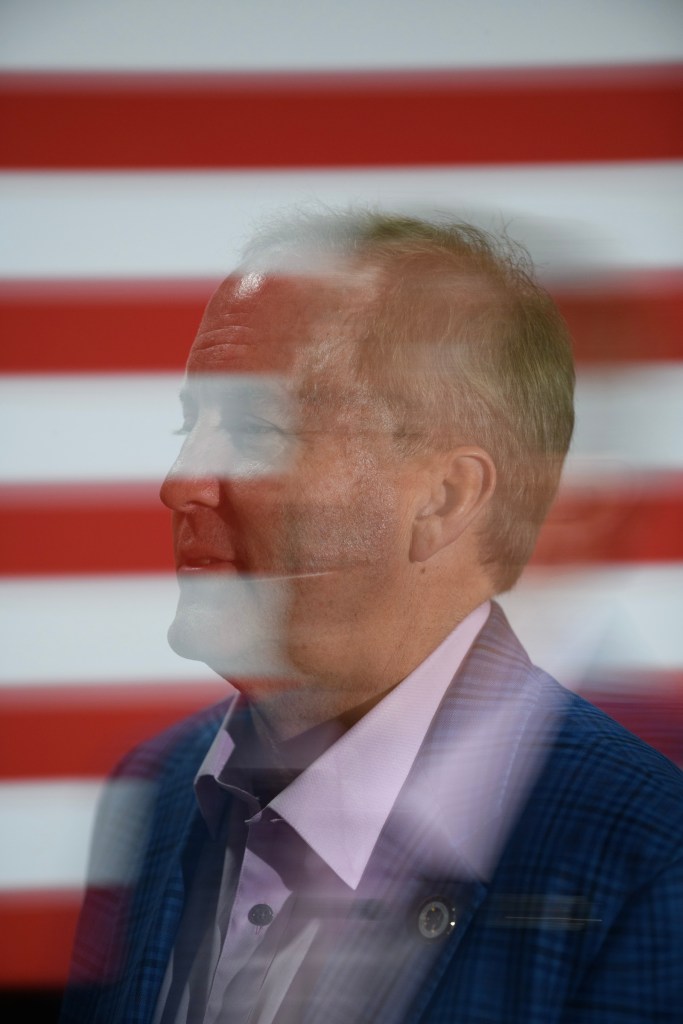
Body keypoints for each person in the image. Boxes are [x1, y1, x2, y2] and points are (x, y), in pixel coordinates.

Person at [60, 210, 683, 1024]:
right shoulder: (158, 787)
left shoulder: (647, 857)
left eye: (256, 428)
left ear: (446, 497)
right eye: (191, 423)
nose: (181, 480)